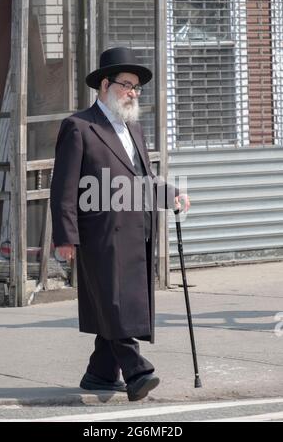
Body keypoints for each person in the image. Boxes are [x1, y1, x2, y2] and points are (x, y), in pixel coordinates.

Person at [50, 47, 189, 401]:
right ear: (105, 85)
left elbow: (144, 178)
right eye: (127, 85)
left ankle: (100, 374)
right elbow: (64, 188)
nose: (133, 92)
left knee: (118, 301)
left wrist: (171, 193)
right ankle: (137, 370)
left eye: (137, 87)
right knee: (113, 302)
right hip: (99, 235)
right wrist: (65, 236)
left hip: (136, 233)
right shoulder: (79, 126)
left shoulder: (134, 128)